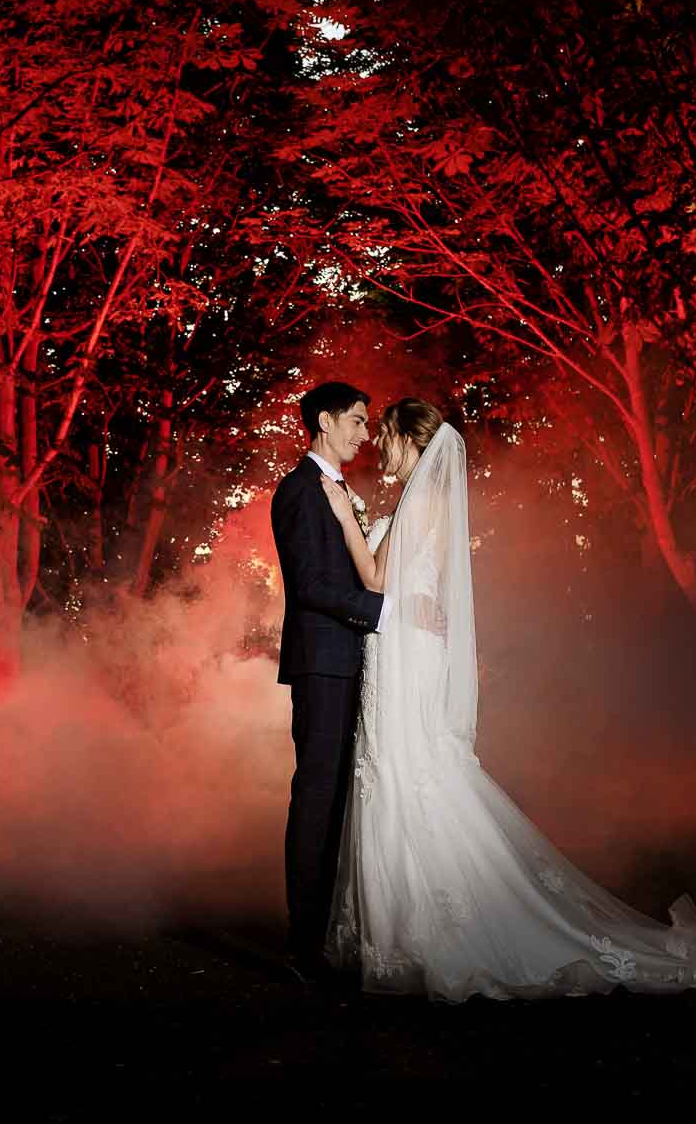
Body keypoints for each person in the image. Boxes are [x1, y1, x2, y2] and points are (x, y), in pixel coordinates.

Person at [314, 396, 696, 1002]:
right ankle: (406, 931)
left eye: (385, 436)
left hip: (404, 652)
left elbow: (375, 580)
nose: (377, 446)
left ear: (409, 442)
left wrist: (346, 518)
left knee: (406, 772)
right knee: (402, 773)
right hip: (407, 647)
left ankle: (426, 932)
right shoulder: (428, 501)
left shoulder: (419, 500)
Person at [269, 381, 386, 982]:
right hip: (322, 663)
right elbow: (310, 585)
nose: (366, 434)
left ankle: (327, 934)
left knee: (340, 798)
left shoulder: (336, 491)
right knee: (317, 796)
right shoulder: (299, 492)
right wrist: (384, 612)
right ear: (324, 421)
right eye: (359, 421)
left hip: (348, 661)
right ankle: (302, 945)